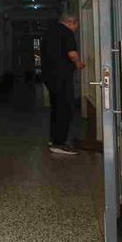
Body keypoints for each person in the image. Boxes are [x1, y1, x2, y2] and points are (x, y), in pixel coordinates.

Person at [41, 12, 85, 155]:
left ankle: (54, 139)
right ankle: (59, 143)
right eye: (77, 26)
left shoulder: (49, 32)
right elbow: (72, 54)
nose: (76, 29)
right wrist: (78, 63)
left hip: (50, 76)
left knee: (56, 108)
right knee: (65, 109)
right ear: (72, 23)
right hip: (62, 77)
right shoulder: (67, 32)